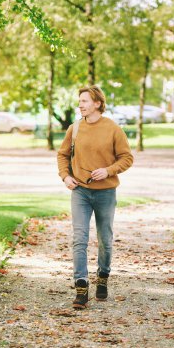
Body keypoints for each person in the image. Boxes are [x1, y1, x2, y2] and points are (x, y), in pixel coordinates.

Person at [57, 85, 133, 309]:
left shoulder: (113, 129)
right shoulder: (75, 128)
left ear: (97, 103)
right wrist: (65, 176)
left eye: (84, 101)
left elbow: (127, 158)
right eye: (79, 101)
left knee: (105, 240)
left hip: (106, 193)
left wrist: (108, 170)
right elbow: (62, 155)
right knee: (79, 238)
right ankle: (81, 287)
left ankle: (103, 276)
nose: (80, 105)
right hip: (80, 191)